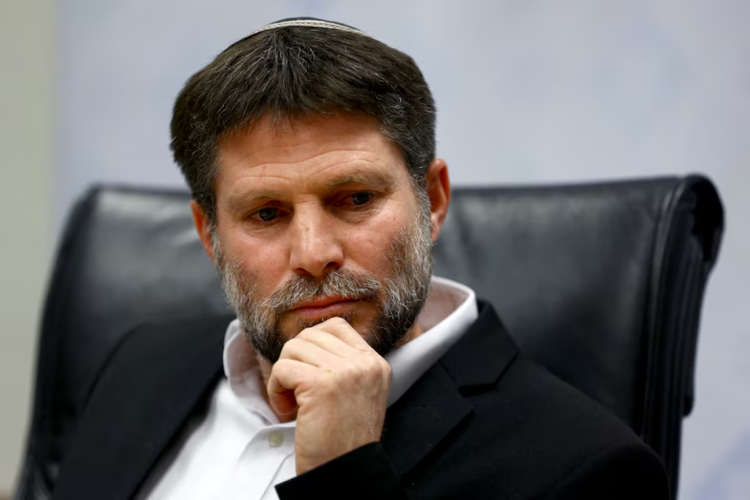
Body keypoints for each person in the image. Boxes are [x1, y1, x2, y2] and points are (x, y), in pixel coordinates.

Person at [52, 18, 669, 500]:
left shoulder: (585, 471)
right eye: (266, 214)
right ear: (209, 236)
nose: (314, 254)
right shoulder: (138, 367)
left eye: (354, 199)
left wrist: (344, 474)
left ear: (431, 201)